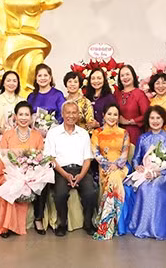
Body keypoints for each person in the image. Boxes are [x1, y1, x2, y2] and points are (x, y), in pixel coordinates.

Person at [44, 101, 98, 237]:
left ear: (78, 115)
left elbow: (87, 159)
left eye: (74, 112)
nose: (71, 115)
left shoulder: (84, 133)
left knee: (91, 192)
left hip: (81, 170)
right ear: (62, 114)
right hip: (60, 170)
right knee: (60, 194)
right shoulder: (53, 133)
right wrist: (65, 174)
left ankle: (88, 223)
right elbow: (51, 158)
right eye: (68, 112)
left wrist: (80, 175)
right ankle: (62, 224)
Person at [0, 101, 46, 238]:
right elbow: (2, 156)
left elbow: (40, 158)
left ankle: (38, 219)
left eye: (26, 115)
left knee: (43, 180)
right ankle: (6, 226)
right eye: (20, 114)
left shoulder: (37, 135)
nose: (23, 118)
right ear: (15, 116)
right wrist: (10, 172)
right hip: (10, 171)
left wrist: (29, 172)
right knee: (8, 184)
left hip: (31, 174)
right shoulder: (8, 134)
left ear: (31, 117)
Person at [127, 105, 166, 240]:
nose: (155, 121)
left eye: (158, 118)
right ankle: (142, 227)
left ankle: (156, 229)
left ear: (163, 120)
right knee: (144, 187)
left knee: (154, 187)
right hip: (146, 171)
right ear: (147, 120)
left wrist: (157, 173)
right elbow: (136, 158)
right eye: (152, 118)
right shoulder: (143, 138)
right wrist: (138, 167)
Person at [91, 103, 129, 240]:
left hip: (120, 167)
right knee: (112, 179)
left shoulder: (124, 133)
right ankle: (115, 224)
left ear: (119, 117)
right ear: (103, 115)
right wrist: (108, 165)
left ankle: (106, 224)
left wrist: (117, 165)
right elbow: (95, 152)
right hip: (104, 168)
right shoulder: (97, 133)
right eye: (109, 114)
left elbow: (125, 153)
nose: (112, 117)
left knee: (114, 178)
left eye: (115, 115)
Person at [115, 65, 150, 145]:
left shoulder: (139, 94)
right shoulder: (117, 94)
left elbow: (147, 114)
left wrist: (129, 122)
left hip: (134, 132)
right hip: (118, 132)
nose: (125, 77)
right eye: (122, 75)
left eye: (127, 74)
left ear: (133, 76)